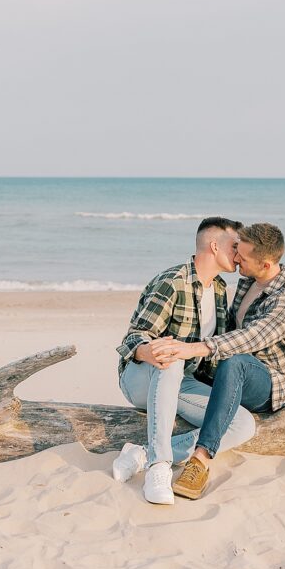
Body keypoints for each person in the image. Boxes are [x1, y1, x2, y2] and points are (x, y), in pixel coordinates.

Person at [149, 222, 285, 500]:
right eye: (237, 252)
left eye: (242, 258)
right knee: (219, 366)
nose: (236, 259)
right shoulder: (249, 279)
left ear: (267, 264)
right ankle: (147, 453)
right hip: (231, 372)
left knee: (235, 360)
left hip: (270, 382)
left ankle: (200, 460)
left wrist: (194, 348)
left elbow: (250, 338)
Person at [112, 216, 257, 505]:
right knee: (173, 355)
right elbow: (133, 338)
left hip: (183, 383)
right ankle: (159, 467)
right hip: (141, 376)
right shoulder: (173, 282)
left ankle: (141, 454)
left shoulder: (217, 290)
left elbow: (216, 350)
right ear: (215, 246)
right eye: (235, 246)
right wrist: (147, 351)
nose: (239, 254)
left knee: (241, 423)